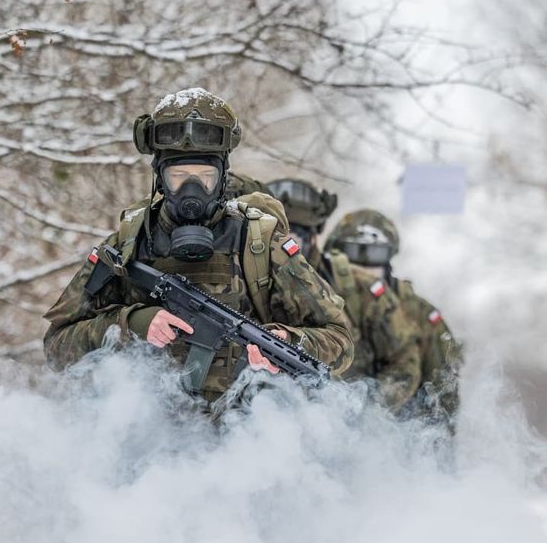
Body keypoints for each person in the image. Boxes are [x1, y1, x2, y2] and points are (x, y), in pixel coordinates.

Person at [42, 89, 353, 405]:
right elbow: (56, 347)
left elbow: (340, 341)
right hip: (141, 425)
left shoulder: (260, 243)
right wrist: (131, 324)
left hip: (249, 430)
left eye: (205, 176)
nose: (192, 190)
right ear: (160, 178)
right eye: (178, 176)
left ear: (222, 178)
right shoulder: (128, 244)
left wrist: (289, 341)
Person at [254, 178, 422, 412]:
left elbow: (404, 362)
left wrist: (364, 408)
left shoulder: (359, 288)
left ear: (313, 238)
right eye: (270, 238)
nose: (279, 247)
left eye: (290, 239)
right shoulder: (242, 279)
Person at [326, 209, 463, 426]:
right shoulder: (321, 298)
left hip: (398, 427)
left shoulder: (420, 315)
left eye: (375, 256)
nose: (364, 268)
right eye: (353, 254)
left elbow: (443, 396)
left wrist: (367, 410)